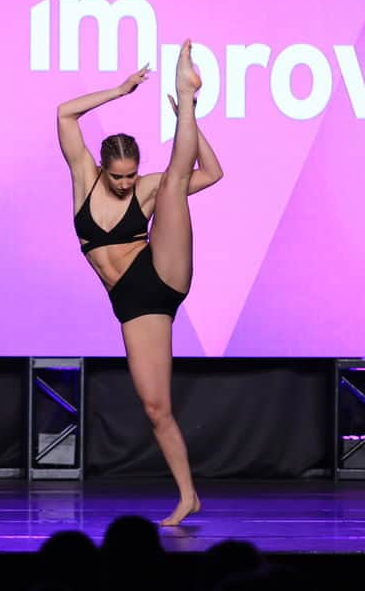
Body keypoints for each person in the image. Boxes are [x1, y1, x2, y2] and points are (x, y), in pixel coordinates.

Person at [56, 40, 223, 526]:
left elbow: (211, 174)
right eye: (120, 177)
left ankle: (186, 98)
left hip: (159, 273)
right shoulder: (83, 175)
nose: (127, 184)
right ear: (104, 166)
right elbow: (65, 114)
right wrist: (121, 90)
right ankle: (188, 496)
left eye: (131, 176)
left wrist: (190, 120)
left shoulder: (146, 187)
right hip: (131, 304)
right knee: (155, 408)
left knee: (172, 182)